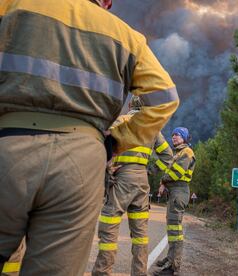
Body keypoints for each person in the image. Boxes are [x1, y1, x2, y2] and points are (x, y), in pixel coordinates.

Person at [0, 0, 179, 275]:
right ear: (106, 1)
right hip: (83, 163)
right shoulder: (127, 36)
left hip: (9, 146)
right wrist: (114, 142)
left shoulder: (14, 6)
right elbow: (166, 98)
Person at [92, 96, 173, 276]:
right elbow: (168, 156)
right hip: (142, 182)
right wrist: (150, 171)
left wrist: (107, 167)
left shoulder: (120, 121)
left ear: (130, 105)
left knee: (109, 228)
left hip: (121, 178)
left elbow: (102, 144)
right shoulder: (152, 127)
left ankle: (102, 272)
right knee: (140, 234)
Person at [155, 127, 196, 276]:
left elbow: (176, 173)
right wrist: (163, 183)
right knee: (172, 229)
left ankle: (173, 268)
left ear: (184, 138)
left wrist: (162, 181)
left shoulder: (187, 153)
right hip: (175, 192)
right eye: (172, 135)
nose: (173, 137)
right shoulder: (178, 153)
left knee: (175, 230)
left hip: (180, 191)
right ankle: (170, 258)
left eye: (177, 135)